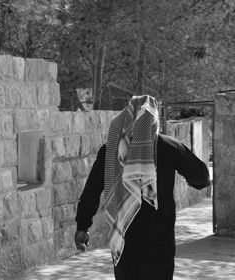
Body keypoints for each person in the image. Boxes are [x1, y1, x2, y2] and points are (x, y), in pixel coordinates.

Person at [74, 95, 210, 280]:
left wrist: (83, 225)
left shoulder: (112, 150)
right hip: (159, 245)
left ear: (128, 116)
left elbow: (92, 189)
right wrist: (196, 182)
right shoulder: (169, 147)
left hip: (124, 242)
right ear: (154, 120)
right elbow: (201, 175)